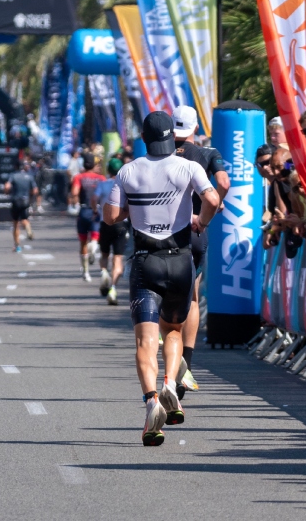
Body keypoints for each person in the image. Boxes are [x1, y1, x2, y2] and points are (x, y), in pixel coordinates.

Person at [103, 112, 220, 447]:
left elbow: (110, 216)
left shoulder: (128, 171)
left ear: (143, 137)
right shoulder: (188, 167)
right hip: (180, 260)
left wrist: (132, 209)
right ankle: (170, 382)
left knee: (145, 341)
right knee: (174, 330)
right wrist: (201, 222)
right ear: (172, 136)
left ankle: (151, 401)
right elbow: (213, 198)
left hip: (145, 262)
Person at [172, 105, 230, 398]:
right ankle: (187, 362)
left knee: (163, 292)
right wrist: (211, 209)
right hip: (196, 231)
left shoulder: (160, 153)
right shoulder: (208, 153)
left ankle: (168, 349)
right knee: (193, 297)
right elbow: (223, 182)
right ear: (196, 128)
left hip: (164, 232)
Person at [96, 156, 128, 305]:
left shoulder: (103, 184)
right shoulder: (126, 185)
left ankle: (104, 272)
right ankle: (113, 288)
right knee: (118, 258)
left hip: (105, 222)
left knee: (104, 254)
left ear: (108, 170)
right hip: (121, 224)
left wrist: (96, 210)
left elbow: (94, 199)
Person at [71, 153, 106, 282]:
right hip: (96, 212)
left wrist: (75, 203)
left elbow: (74, 192)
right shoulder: (101, 178)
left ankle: (86, 272)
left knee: (83, 242)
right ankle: (93, 249)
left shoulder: (79, 177)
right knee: (95, 238)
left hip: (83, 210)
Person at [6, 161, 35, 252]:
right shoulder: (29, 176)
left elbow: (7, 186)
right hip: (25, 200)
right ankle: (28, 229)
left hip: (16, 200)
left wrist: (7, 192)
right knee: (24, 219)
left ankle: (17, 245)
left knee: (15, 223)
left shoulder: (13, 176)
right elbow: (35, 190)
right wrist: (30, 197)